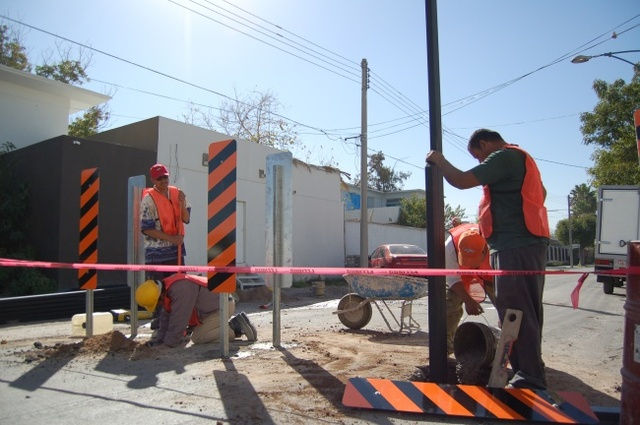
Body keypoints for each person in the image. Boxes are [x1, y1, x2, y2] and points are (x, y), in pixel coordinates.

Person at [426, 128, 549, 390]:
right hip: (523, 244)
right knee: (521, 309)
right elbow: (543, 194)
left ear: (484, 144)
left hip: (516, 244)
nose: (481, 164)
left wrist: (439, 160)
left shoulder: (503, 157)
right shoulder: (522, 160)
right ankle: (528, 370)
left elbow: (460, 180)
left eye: (478, 157)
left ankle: (530, 377)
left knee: (518, 311)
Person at [135, 273, 257, 347]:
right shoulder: (168, 287)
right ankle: (228, 326)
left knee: (198, 337)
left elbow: (179, 320)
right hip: (212, 309)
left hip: (221, 306)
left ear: (159, 297)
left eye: (157, 303)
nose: (159, 305)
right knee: (196, 334)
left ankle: (235, 327)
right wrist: (159, 340)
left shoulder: (180, 289)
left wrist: (169, 343)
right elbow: (166, 316)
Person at [445, 223, 495, 355]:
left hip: (489, 274)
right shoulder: (450, 248)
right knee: (448, 306)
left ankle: (510, 348)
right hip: (461, 276)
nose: (469, 263)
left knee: (507, 307)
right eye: (465, 258)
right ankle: (445, 346)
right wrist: (468, 300)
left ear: (484, 251)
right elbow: (452, 280)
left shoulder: (495, 244)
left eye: (472, 259)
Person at [140, 163, 191, 281]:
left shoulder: (178, 193)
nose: (163, 180)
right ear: (153, 179)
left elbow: (186, 219)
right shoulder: (148, 200)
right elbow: (147, 229)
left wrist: (182, 203)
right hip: (156, 255)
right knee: (157, 292)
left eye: (165, 177)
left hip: (176, 252)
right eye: (159, 178)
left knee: (179, 288)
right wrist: (171, 238)